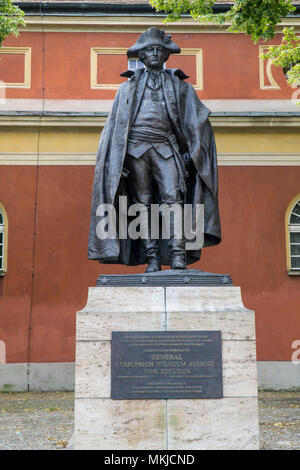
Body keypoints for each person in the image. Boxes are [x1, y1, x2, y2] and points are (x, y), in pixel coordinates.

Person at [88, 27, 221, 272]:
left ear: (166, 55)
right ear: (141, 55)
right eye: (150, 50)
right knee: (143, 204)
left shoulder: (181, 87)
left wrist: (192, 149)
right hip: (136, 151)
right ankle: (152, 259)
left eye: (159, 50)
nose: (155, 54)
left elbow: (197, 120)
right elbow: (115, 128)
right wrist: (119, 160)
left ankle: (178, 255)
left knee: (174, 200)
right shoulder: (126, 88)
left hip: (166, 147)